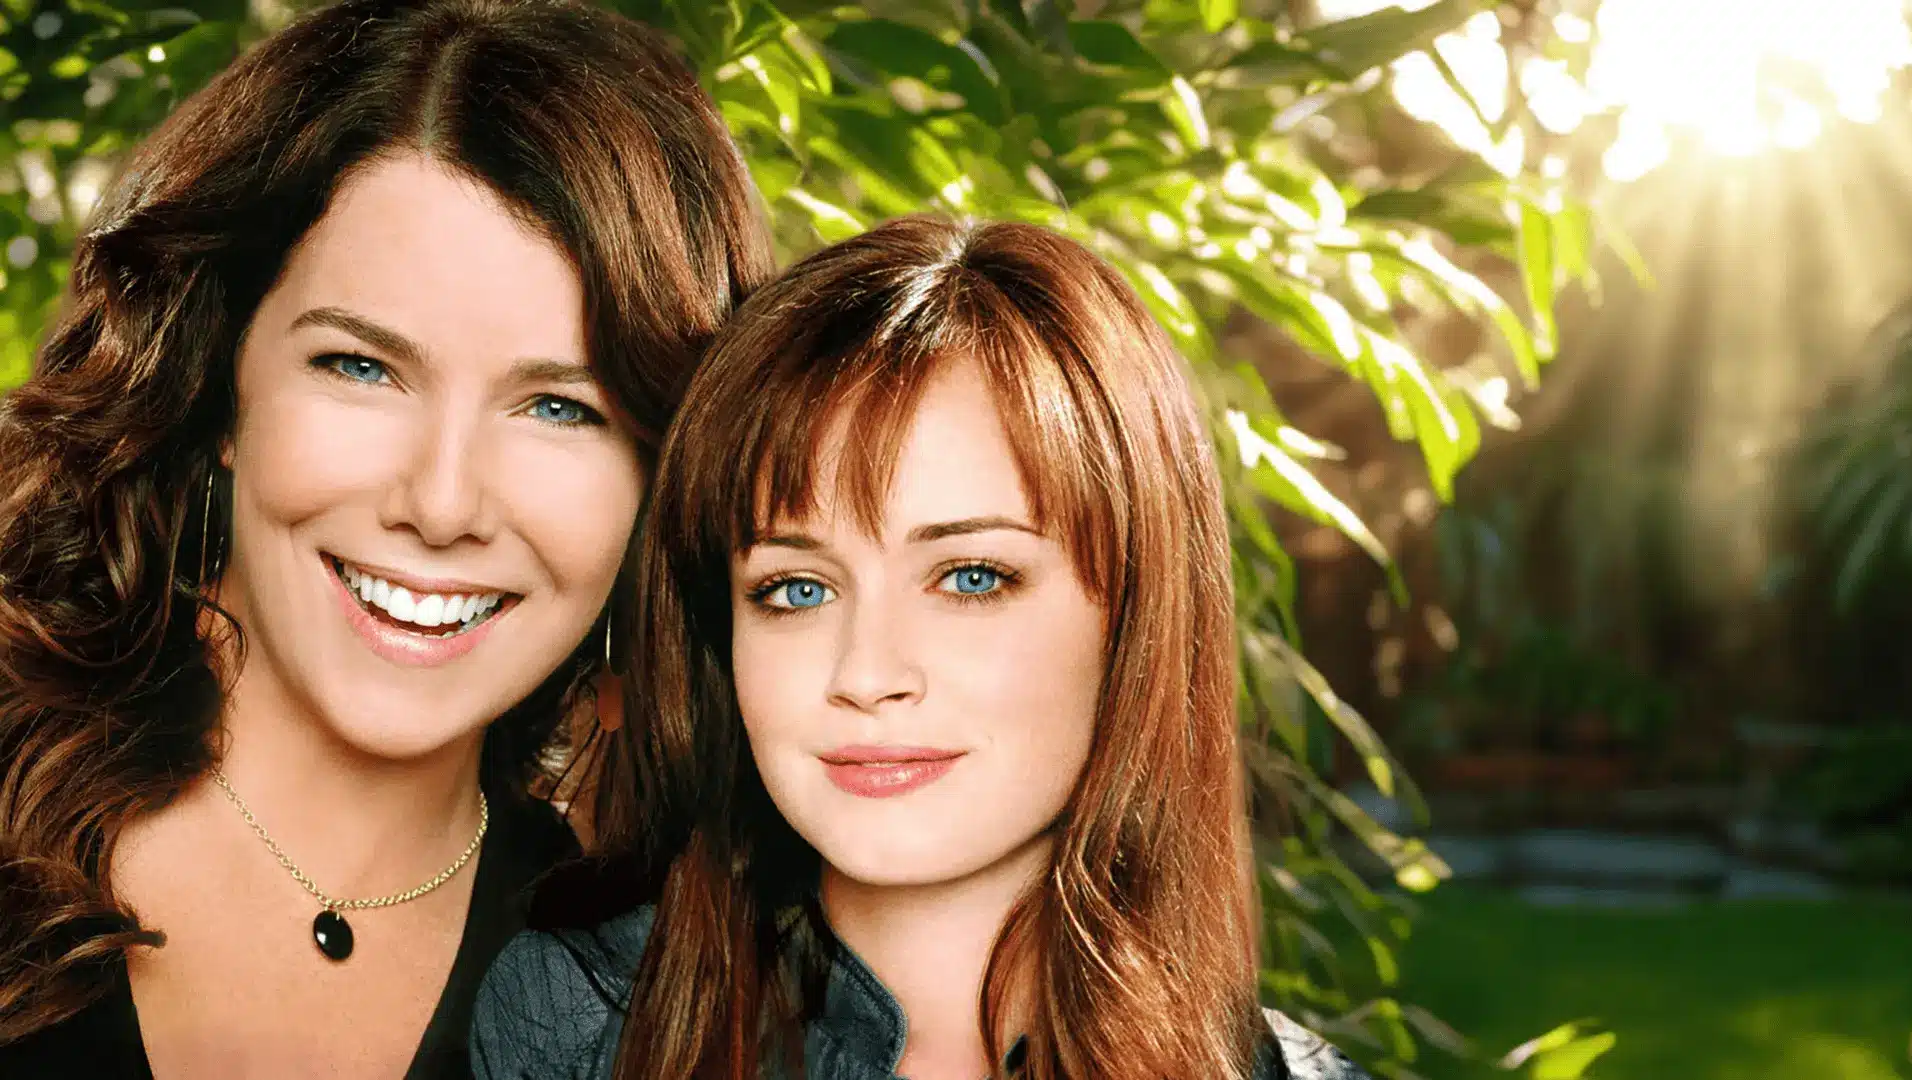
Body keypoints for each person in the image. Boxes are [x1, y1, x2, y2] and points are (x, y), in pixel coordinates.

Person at [0, 0, 771, 1074]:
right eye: (361, 367)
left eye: (560, 408)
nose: (442, 502)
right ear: (220, 389)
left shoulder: (652, 1003)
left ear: (661, 482)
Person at [469, 216, 1371, 1080]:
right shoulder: (575, 1028)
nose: (867, 675)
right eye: (798, 590)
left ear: (1132, 614)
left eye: (971, 577)